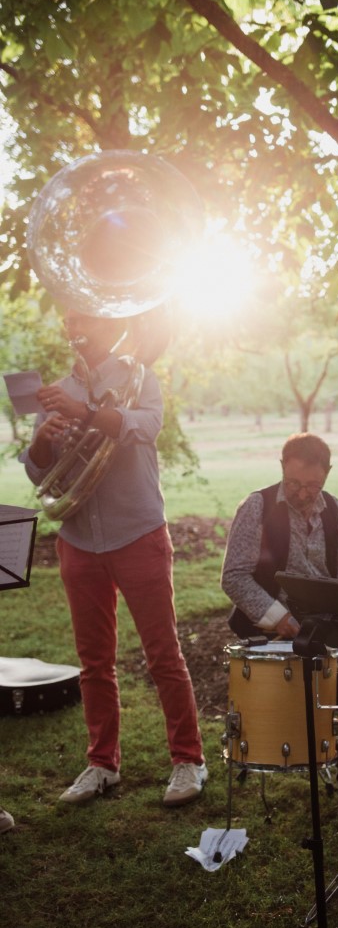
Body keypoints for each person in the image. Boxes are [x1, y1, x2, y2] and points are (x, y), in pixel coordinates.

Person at [20, 310, 207, 808]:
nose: (71, 324)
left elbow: (146, 427)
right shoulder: (57, 389)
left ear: (108, 320)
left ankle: (189, 760)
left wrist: (82, 413)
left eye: (83, 316)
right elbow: (41, 476)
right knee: (93, 663)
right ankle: (102, 764)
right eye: (67, 318)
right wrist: (42, 440)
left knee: (163, 654)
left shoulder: (138, 376)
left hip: (137, 533)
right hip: (78, 538)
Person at [220, 432, 338, 811]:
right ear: (282, 467)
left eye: (313, 485)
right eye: (295, 483)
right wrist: (279, 617)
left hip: (323, 623)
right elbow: (233, 576)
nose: (303, 493)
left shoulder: (334, 509)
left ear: (327, 474)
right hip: (270, 630)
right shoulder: (257, 506)